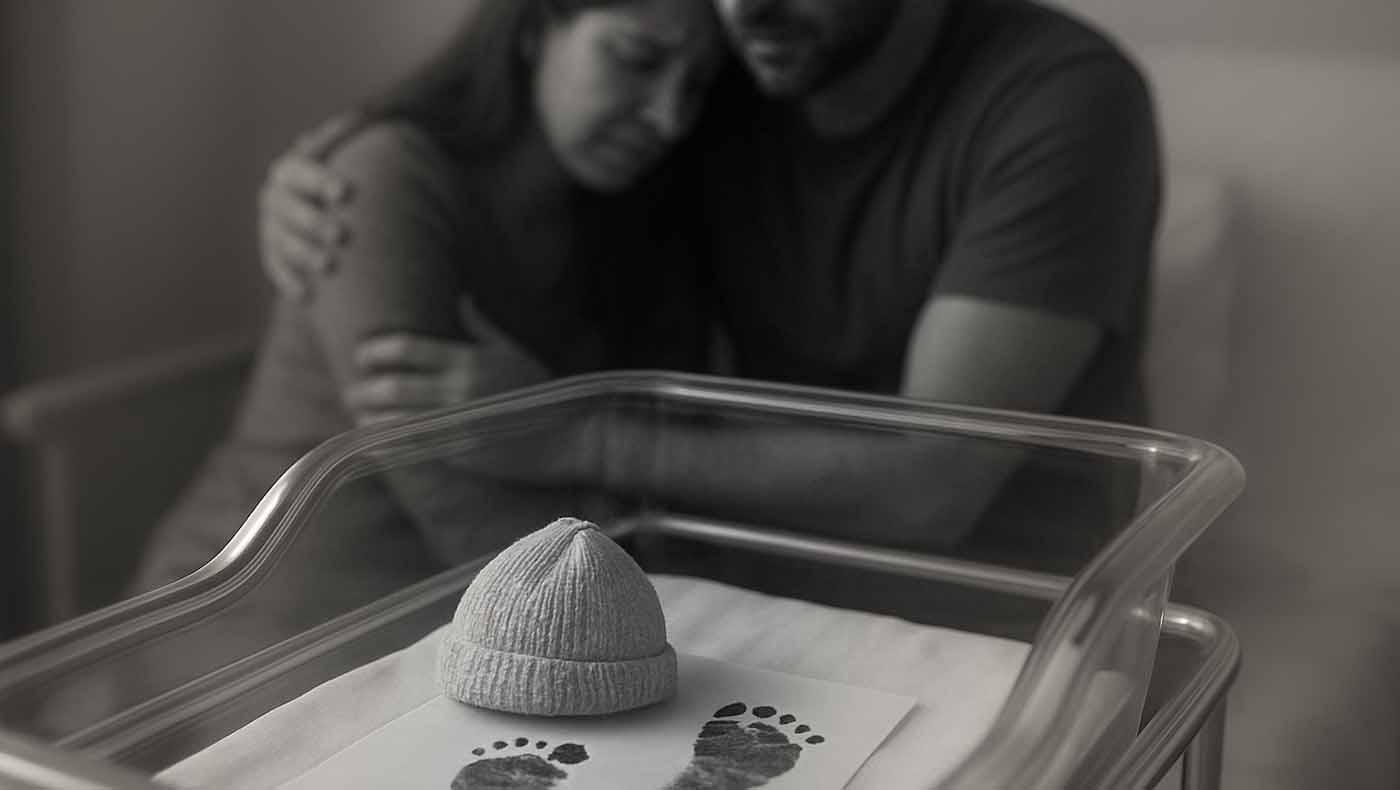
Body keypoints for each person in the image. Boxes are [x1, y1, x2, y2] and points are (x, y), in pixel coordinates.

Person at [259, 0, 1161, 578]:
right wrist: (333, 169)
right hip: (746, 583)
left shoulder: (1056, 96)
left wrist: (583, 435)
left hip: (1006, 595)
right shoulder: (737, 80)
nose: (743, 9)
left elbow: (933, 487)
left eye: (684, 82)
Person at [131, 0, 728, 604]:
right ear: (533, 27)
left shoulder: (630, 225)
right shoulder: (383, 175)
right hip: (263, 608)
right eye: (637, 58)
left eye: (697, 86)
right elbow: (465, 511)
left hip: (463, 610)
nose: (670, 118)